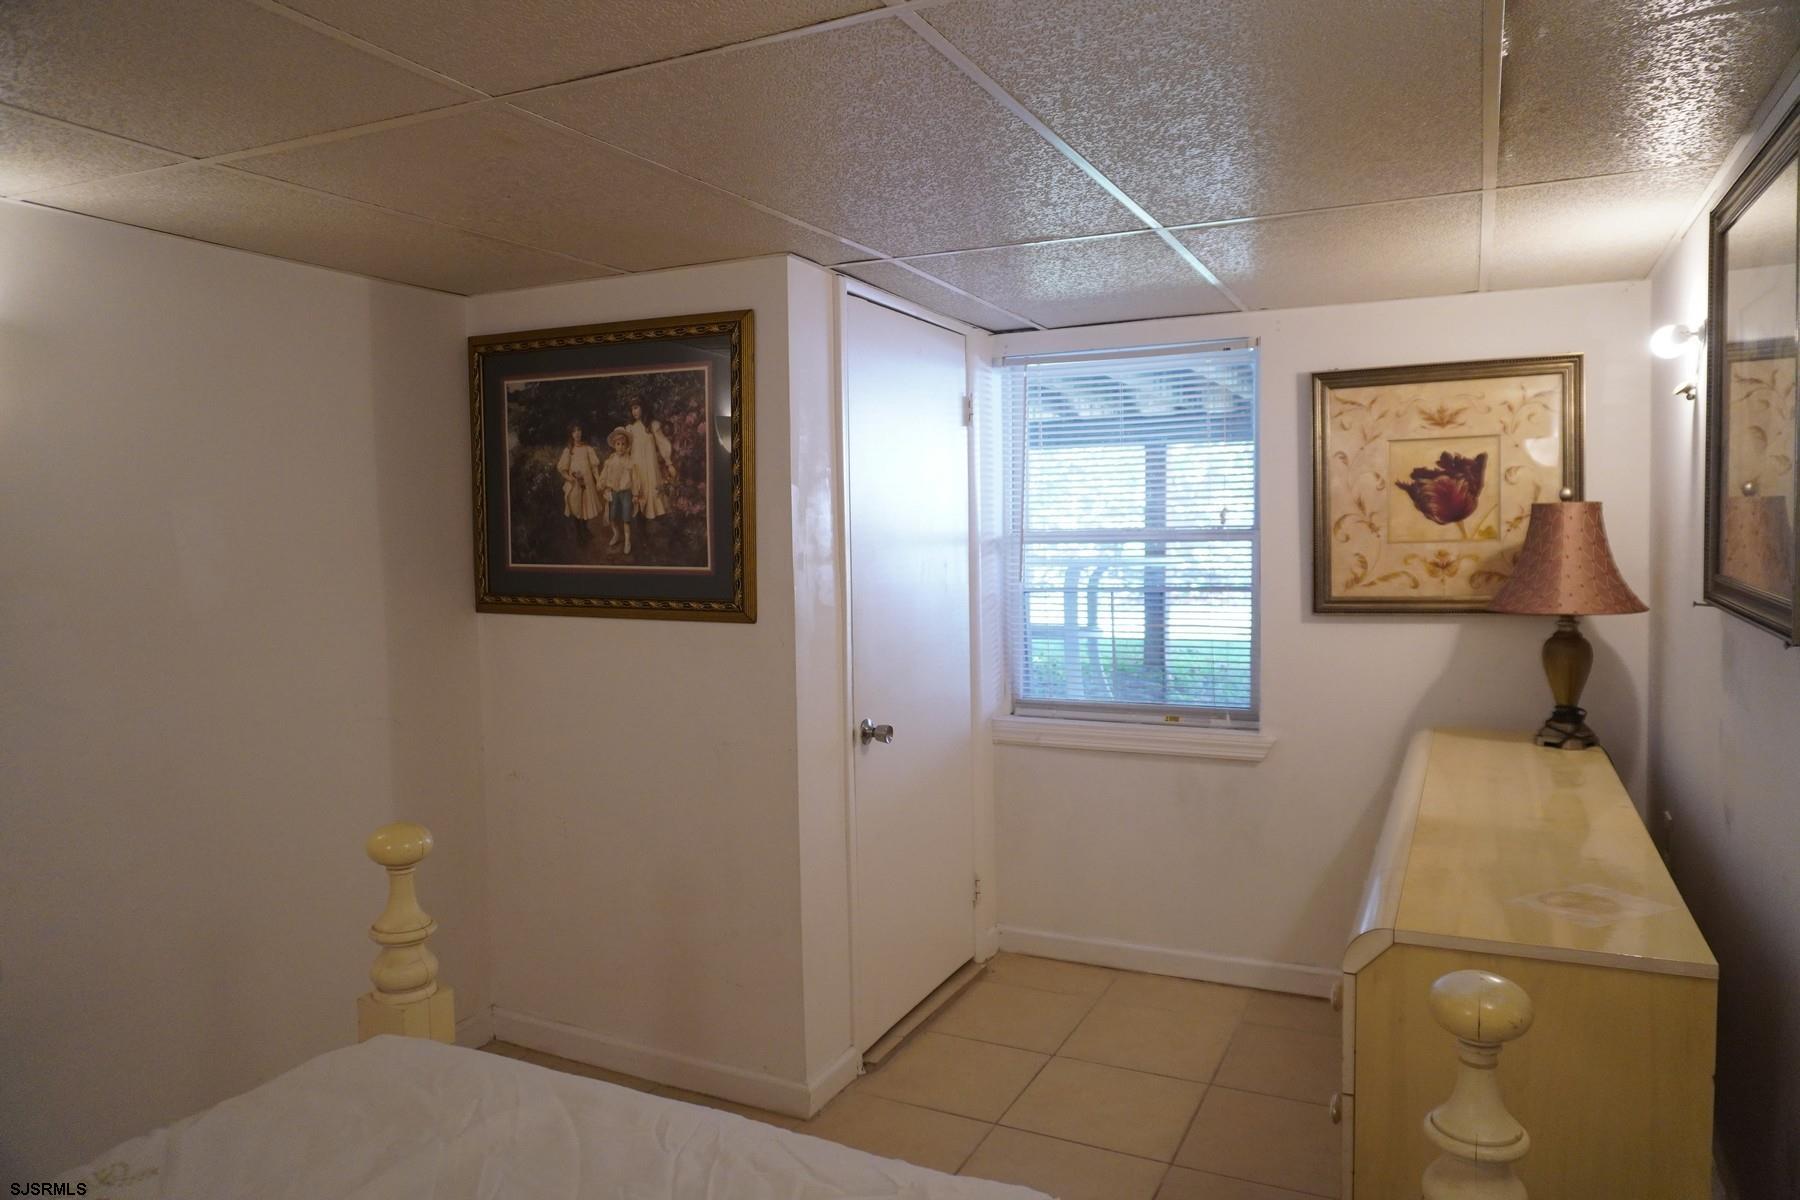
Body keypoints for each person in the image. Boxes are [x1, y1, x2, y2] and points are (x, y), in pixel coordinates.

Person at [624, 400, 675, 521]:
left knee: (655, 494)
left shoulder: (652, 425)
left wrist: (669, 463)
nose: (634, 412)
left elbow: (662, 444)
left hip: (651, 467)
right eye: (632, 409)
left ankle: (663, 527)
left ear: (643, 407)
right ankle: (642, 532)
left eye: (636, 408)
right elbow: (626, 450)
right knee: (639, 495)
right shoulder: (630, 429)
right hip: (637, 467)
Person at [555, 424, 602, 544]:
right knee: (576, 507)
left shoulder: (587, 448)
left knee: (585, 505)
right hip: (575, 483)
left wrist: (598, 480)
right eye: (574, 431)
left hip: (587, 483)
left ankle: (584, 528)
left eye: (579, 430)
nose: (577, 433)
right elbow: (562, 469)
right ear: (571, 434)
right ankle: (579, 535)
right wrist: (570, 478)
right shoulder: (569, 450)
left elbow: (594, 467)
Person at [598, 428, 639, 554]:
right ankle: (616, 533)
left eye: (623, 444)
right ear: (614, 445)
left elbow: (635, 478)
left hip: (626, 492)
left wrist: (636, 493)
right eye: (618, 444)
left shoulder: (630, 461)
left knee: (626, 517)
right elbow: (604, 475)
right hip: (613, 491)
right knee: (612, 516)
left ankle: (627, 540)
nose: (620, 447)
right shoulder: (610, 461)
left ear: (626, 446)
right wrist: (602, 484)